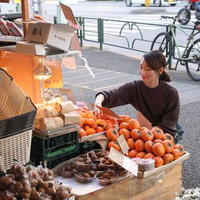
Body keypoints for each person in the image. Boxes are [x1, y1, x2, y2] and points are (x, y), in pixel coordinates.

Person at [94, 50, 183, 142]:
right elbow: (110, 95)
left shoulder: (171, 94)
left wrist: (142, 131)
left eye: (148, 69)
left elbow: (167, 128)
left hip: (165, 135)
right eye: (141, 68)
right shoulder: (135, 88)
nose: (143, 73)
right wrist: (98, 103)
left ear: (160, 70)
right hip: (145, 133)